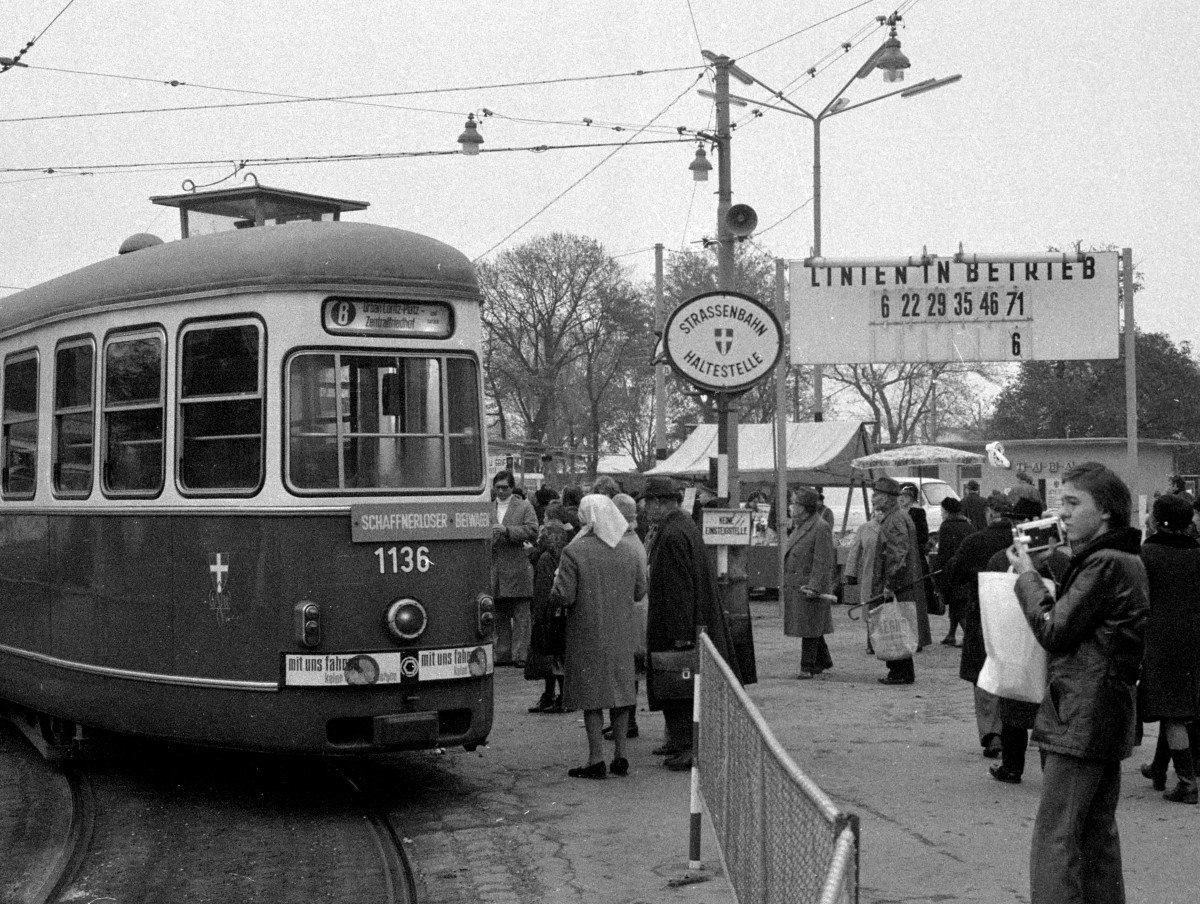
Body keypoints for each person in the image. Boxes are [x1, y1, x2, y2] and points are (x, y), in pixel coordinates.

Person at [1007, 461, 1148, 904]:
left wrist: (1028, 579)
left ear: (1104, 511)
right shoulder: (1121, 559)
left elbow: (1054, 630)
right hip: (1105, 712)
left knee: (1057, 838)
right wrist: (1054, 562)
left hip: (1079, 714)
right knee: (1095, 835)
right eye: (1060, 503)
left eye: (1072, 503)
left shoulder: (1104, 563)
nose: (1062, 514)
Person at [641, 475, 739, 771]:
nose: (646, 510)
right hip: (688, 621)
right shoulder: (683, 525)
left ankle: (686, 745)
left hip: (676, 625)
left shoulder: (671, 534)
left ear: (659, 503)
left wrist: (681, 633)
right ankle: (679, 740)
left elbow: (678, 588)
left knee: (676, 684)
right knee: (677, 685)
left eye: (648, 503)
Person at [552, 494, 646, 779]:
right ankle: (621, 755)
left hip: (587, 633)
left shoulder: (574, 551)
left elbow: (564, 596)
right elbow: (640, 591)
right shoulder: (629, 549)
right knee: (620, 693)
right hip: (621, 633)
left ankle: (595, 759)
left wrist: (554, 591)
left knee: (591, 697)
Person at [983, 496, 1070, 784]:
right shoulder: (1061, 561)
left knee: (1014, 702)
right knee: (1046, 709)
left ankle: (1012, 767)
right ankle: (1049, 773)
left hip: (1013, 640)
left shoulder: (1002, 558)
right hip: (1048, 641)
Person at [1137, 493, 1200, 804]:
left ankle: (1187, 783)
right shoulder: (1197, 552)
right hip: (1194, 638)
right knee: (1177, 704)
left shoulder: (1147, 553)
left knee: (1172, 711)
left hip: (1161, 638)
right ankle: (1159, 768)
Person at [947, 490, 1017, 758]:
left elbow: (954, 570)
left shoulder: (974, 540)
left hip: (982, 612)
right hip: (1015, 612)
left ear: (989, 513)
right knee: (1011, 669)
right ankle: (1012, 730)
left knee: (984, 671)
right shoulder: (1021, 540)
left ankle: (991, 733)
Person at [867, 476, 925, 685]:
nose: (873, 499)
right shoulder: (898, 517)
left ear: (888, 498)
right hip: (902, 583)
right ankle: (899, 671)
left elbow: (897, 555)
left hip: (897, 585)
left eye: (876, 495)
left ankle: (900, 672)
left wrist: (889, 585)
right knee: (898, 625)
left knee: (896, 626)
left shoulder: (894, 520)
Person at [601, 493, 647, 740]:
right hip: (635, 615)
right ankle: (626, 720)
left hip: (628, 616)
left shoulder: (624, 544)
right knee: (628, 672)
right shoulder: (632, 540)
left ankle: (627, 722)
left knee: (625, 673)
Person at [783, 486, 836, 679]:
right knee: (811, 625)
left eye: (794, 503)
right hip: (798, 584)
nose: (790, 506)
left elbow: (823, 560)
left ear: (804, 507)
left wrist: (815, 585)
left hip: (809, 585)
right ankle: (823, 660)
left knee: (810, 626)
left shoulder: (820, 527)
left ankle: (807, 666)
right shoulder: (801, 525)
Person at [491, 470, 539, 666]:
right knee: (500, 613)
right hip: (496, 569)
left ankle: (520, 655)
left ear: (512, 488)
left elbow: (533, 530)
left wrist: (508, 531)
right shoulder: (487, 508)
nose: (501, 491)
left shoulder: (525, 506)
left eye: (505, 487)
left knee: (521, 614)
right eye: (498, 487)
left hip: (518, 567)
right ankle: (502, 653)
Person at [525, 504, 569, 714]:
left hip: (547, 614)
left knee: (549, 658)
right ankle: (556, 696)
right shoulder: (562, 555)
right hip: (560, 613)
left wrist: (538, 615)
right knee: (557, 657)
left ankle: (554, 696)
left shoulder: (544, 559)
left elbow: (542, 590)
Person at [897, 482, 936, 644]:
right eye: (900, 496)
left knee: (917, 596)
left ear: (912, 498)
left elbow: (923, 536)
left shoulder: (918, 513)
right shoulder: (896, 513)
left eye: (905, 496)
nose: (902, 499)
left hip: (915, 557)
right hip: (901, 555)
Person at [934, 496, 973, 646]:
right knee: (958, 602)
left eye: (942, 510)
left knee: (957, 605)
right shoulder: (968, 524)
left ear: (948, 511)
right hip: (966, 569)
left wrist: (937, 569)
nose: (941, 513)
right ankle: (951, 634)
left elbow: (943, 551)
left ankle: (969, 637)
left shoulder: (946, 526)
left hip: (951, 570)